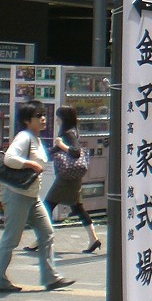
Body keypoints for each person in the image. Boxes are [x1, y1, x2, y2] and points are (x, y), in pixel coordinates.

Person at [0, 101, 76, 293]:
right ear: (28, 121)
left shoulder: (36, 138)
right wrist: (30, 164)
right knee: (11, 238)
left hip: (32, 196)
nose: (43, 119)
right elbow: (10, 158)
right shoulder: (24, 137)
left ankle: (50, 278)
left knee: (47, 233)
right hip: (17, 195)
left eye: (43, 115)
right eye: (38, 116)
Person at [40, 105, 100, 253]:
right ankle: (93, 239)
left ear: (64, 118)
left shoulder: (68, 134)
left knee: (47, 206)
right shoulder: (72, 131)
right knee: (77, 207)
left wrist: (60, 144)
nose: (56, 119)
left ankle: (41, 239)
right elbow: (56, 151)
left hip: (66, 179)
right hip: (71, 177)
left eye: (58, 116)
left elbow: (75, 152)